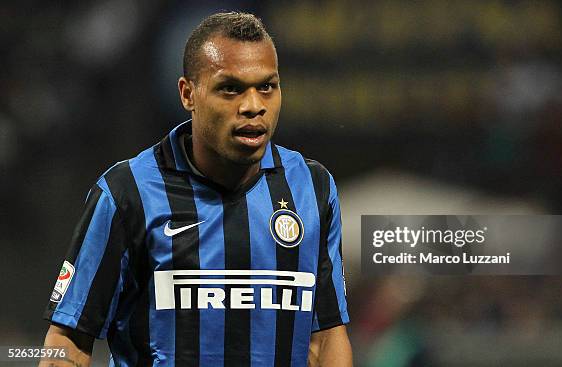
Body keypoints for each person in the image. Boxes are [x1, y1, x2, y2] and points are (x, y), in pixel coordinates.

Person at [40, 11, 352, 367]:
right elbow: (67, 340)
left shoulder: (312, 188)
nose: (253, 106)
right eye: (230, 88)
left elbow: (325, 338)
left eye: (267, 86)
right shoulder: (127, 192)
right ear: (188, 94)